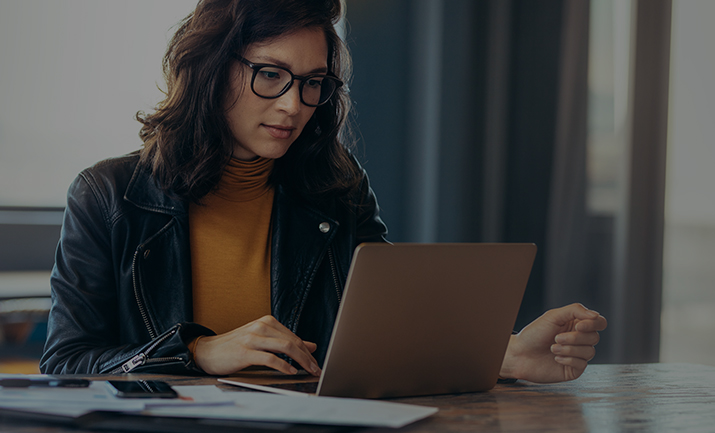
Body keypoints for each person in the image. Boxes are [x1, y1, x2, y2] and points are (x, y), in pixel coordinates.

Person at [40, 0, 607, 383]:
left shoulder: (336, 186)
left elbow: (385, 335)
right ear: (210, 68)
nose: (293, 105)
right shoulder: (108, 196)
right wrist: (195, 353)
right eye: (270, 74)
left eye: (313, 82)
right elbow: (66, 364)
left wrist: (503, 354)